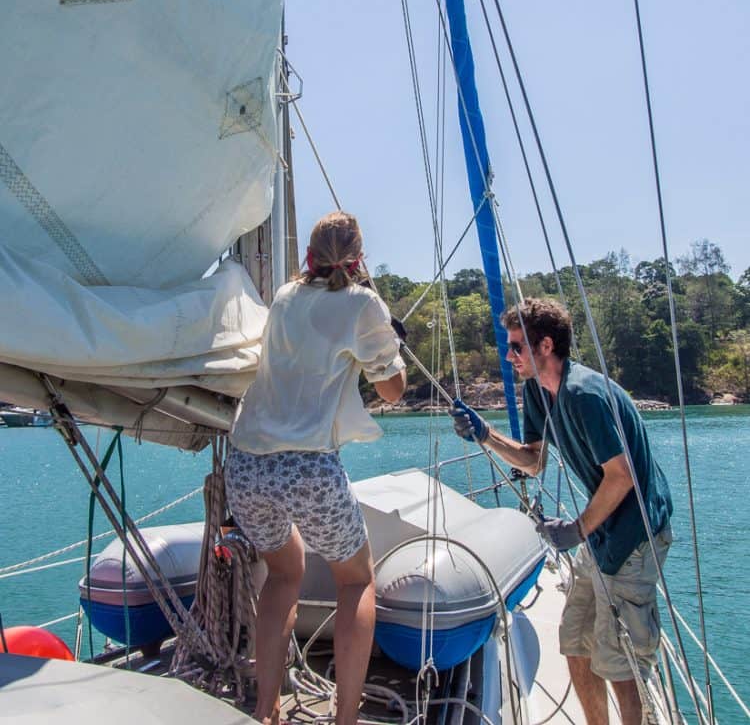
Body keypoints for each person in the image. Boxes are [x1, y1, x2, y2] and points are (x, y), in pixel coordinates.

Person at [452, 297, 672, 725]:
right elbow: (533, 461)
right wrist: (485, 433)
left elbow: (621, 475)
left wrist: (576, 529)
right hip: (602, 533)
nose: (509, 355)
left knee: (622, 664)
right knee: (575, 642)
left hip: (635, 534)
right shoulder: (539, 390)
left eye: (517, 346)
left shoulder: (583, 393)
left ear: (546, 346)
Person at [226, 211, 406, 725]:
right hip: (307, 468)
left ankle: (266, 709)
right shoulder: (362, 303)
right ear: (359, 255)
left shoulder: (284, 297)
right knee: (355, 582)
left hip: (248, 464)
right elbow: (392, 390)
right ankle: (344, 718)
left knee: (283, 573)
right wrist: (389, 344)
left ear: (309, 252)